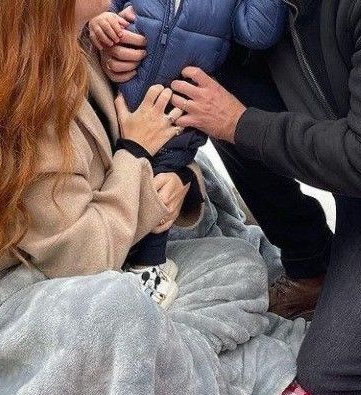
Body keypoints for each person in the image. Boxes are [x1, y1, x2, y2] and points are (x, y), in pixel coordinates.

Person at [0, 0, 301, 395]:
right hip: (18, 299)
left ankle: (135, 377)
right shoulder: (16, 93)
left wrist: (180, 186)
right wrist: (137, 153)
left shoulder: (88, 43)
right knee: (114, 309)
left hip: (111, 262)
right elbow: (79, 259)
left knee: (238, 264)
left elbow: (143, 149)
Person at [105, 0, 361, 395]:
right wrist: (120, 40)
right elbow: (191, 29)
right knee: (211, 84)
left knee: (335, 375)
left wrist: (240, 124)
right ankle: (312, 265)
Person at [88, 0, 287, 308]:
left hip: (178, 116)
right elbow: (106, 6)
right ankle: (103, 256)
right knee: (111, 177)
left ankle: (150, 265)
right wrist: (100, 21)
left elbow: (257, 32)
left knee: (162, 188)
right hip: (117, 102)